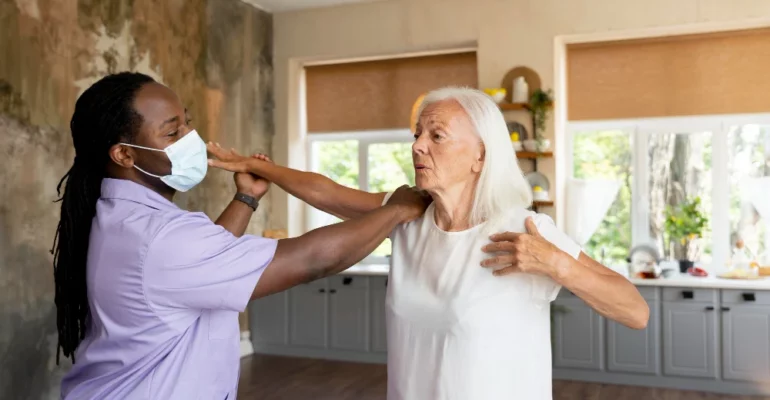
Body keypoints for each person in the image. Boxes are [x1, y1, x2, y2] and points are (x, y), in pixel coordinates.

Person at [207, 86, 650, 399]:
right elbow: (326, 191)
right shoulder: (407, 214)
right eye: (416, 134)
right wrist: (253, 166)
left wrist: (557, 264)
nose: (418, 146)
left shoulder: (526, 230)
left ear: (481, 156)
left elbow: (635, 310)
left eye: (436, 136)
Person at [52, 72, 429, 400]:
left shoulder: (120, 217)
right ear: (123, 154)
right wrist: (395, 210)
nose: (191, 138)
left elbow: (199, 266)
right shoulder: (160, 238)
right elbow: (310, 260)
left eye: (187, 123)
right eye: (172, 132)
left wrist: (245, 198)